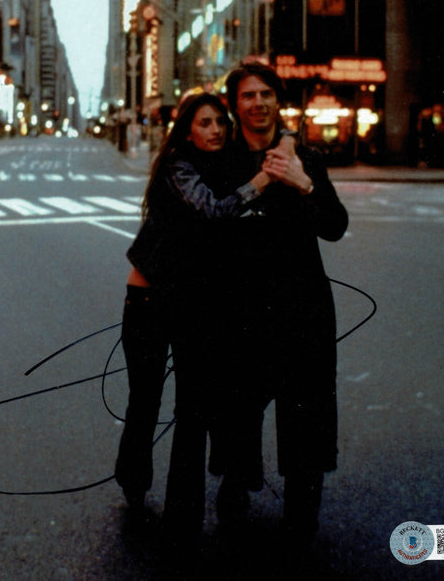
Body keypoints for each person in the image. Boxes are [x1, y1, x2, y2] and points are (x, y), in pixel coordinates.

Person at [114, 93, 279, 523]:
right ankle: (133, 479)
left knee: (192, 408)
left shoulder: (226, 165)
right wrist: (260, 182)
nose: (216, 130)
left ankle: (182, 512)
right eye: (205, 123)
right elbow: (213, 210)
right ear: (188, 129)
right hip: (149, 301)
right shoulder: (178, 166)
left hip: (193, 302)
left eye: (220, 122)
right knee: (145, 399)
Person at [213, 60, 349, 566]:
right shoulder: (223, 161)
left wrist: (302, 182)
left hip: (302, 308)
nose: (258, 103)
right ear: (235, 105)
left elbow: (335, 226)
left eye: (267, 93)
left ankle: (302, 514)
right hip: (240, 310)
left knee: (305, 416)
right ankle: (235, 483)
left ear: (278, 100)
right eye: (248, 95)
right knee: (238, 411)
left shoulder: (305, 157)